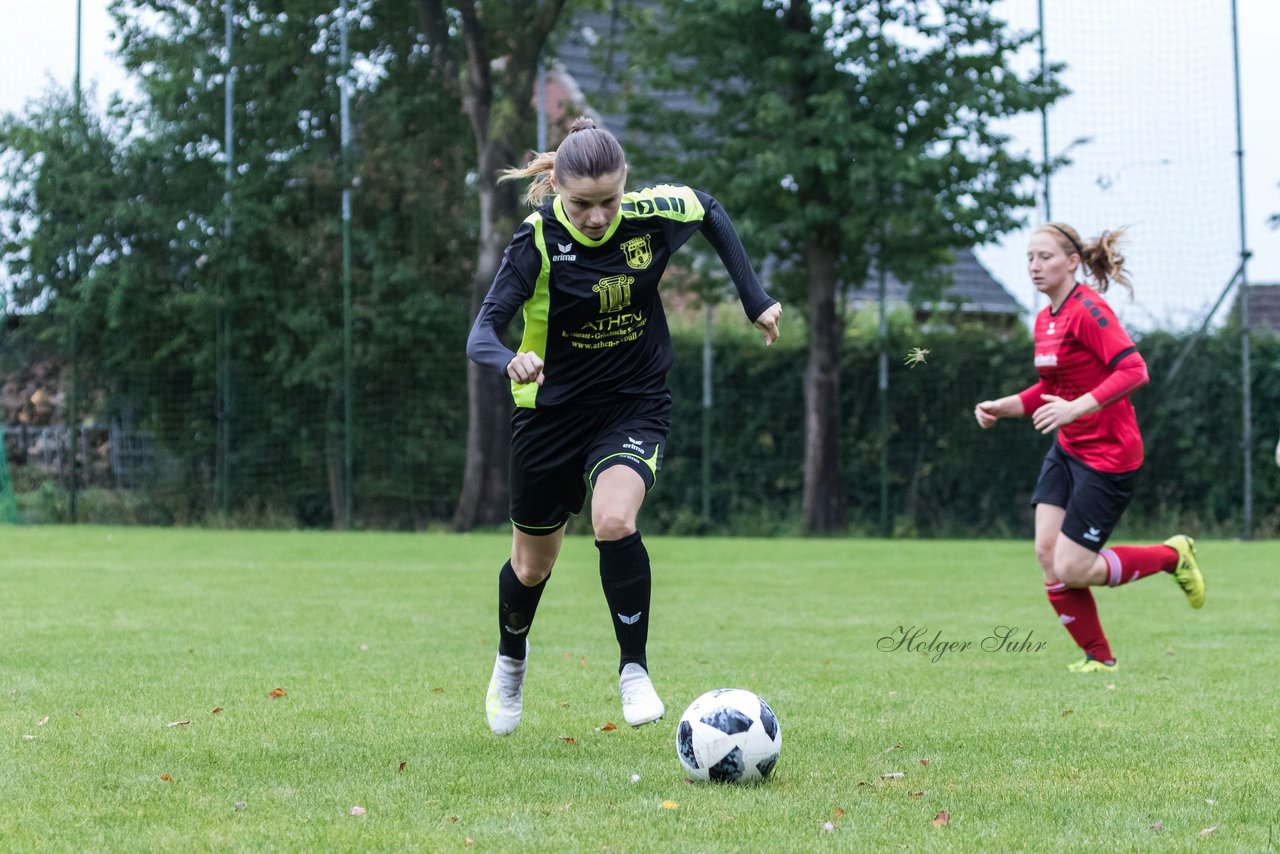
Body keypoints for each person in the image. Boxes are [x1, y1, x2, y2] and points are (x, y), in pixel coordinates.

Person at [466, 117, 782, 734]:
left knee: (614, 519)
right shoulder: (535, 241)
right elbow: (482, 333)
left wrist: (755, 298)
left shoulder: (650, 214)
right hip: (551, 414)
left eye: (608, 201)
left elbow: (709, 209)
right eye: (582, 203)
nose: (596, 216)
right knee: (531, 566)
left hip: (632, 405)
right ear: (556, 187)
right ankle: (510, 660)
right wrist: (511, 359)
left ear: (625, 185)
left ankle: (633, 670)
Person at [974, 222, 1205, 673]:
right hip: (1069, 448)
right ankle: (1100, 660)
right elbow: (1049, 389)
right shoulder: (1045, 319)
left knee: (1074, 567)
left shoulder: (1089, 311)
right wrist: (1004, 406)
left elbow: (1135, 370)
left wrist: (1076, 409)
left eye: (1045, 257)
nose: (1034, 266)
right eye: (1029, 258)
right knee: (1047, 554)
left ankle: (1171, 556)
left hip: (1108, 456)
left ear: (1072, 262)